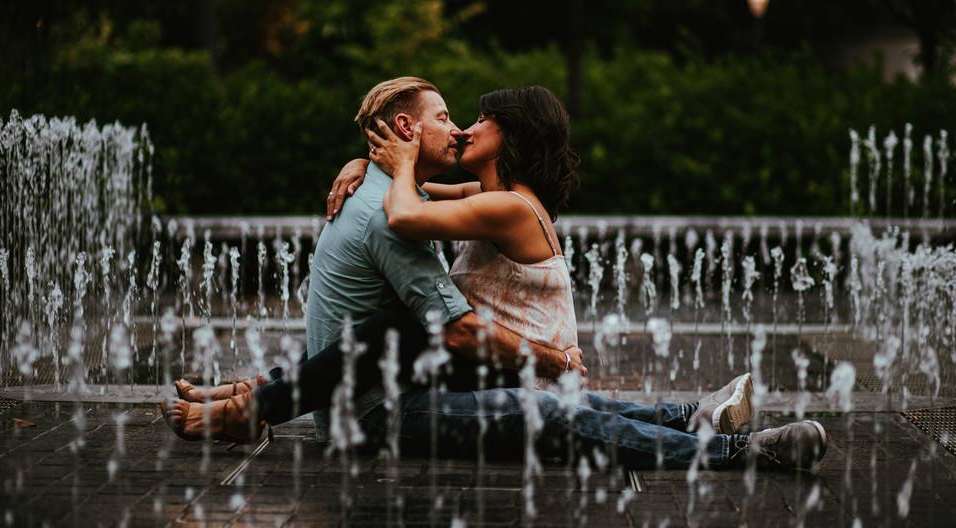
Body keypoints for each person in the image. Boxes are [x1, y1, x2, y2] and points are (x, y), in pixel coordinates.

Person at [162, 77, 827, 471]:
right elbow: (439, 304)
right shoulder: (414, 213)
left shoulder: (456, 204)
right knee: (535, 404)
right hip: (388, 412)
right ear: (405, 127)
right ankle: (725, 442)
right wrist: (368, 165)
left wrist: (379, 168)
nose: (461, 129)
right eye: (450, 117)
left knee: (540, 400)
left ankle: (705, 429)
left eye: (476, 120)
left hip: (424, 386)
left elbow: (411, 222)